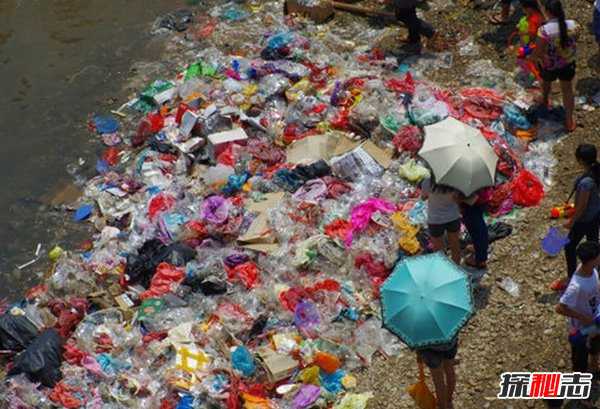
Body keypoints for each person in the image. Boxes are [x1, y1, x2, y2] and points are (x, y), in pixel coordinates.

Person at [551, 144, 600, 291]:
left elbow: (582, 206)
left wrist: (571, 221)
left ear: (580, 160)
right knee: (593, 242)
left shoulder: (585, 182)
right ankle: (595, 270)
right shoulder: (596, 171)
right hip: (596, 213)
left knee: (569, 246)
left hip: (584, 218)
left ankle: (571, 277)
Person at [556, 241, 600, 403]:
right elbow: (560, 308)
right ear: (592, 260)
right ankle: (579, 391)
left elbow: (596, 288)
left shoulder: (592, 271)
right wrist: (583, 318)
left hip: (595, 320)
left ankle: (595, 368)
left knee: (595, 346)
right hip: (580, 329)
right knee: (579, 360)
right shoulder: (576, 285)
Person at [532, 0, 579, 131]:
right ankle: (569, 120)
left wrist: (533, 58)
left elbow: (539, 51)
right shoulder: (573, 25)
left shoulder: (544, 30)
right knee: (567, 90)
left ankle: (545, 100)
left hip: (550, 65)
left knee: (546, 82)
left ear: (547, 12)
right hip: (568, 63)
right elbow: (575, 40)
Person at [420, 177, 461, 264]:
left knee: (438, 250)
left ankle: (443, 270)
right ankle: (457, 269)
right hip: (452, 217)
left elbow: (423, 197)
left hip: (435, 220)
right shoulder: (455, 181)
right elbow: (457, 198)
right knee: (455, 245)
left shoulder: (427, 182)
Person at [416, 339, 458, 409]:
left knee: (438, 380)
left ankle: (443, 406)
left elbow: (418, 338)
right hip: (449, 342)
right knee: (450, 370)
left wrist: (418, 353)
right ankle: (449, 400)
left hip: (430, 348)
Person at [460, 188, 491, 270]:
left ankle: (480, 260)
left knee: (476, 228)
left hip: (474, 201)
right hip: (480, 199)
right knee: (477, 226)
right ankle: (479, 248)